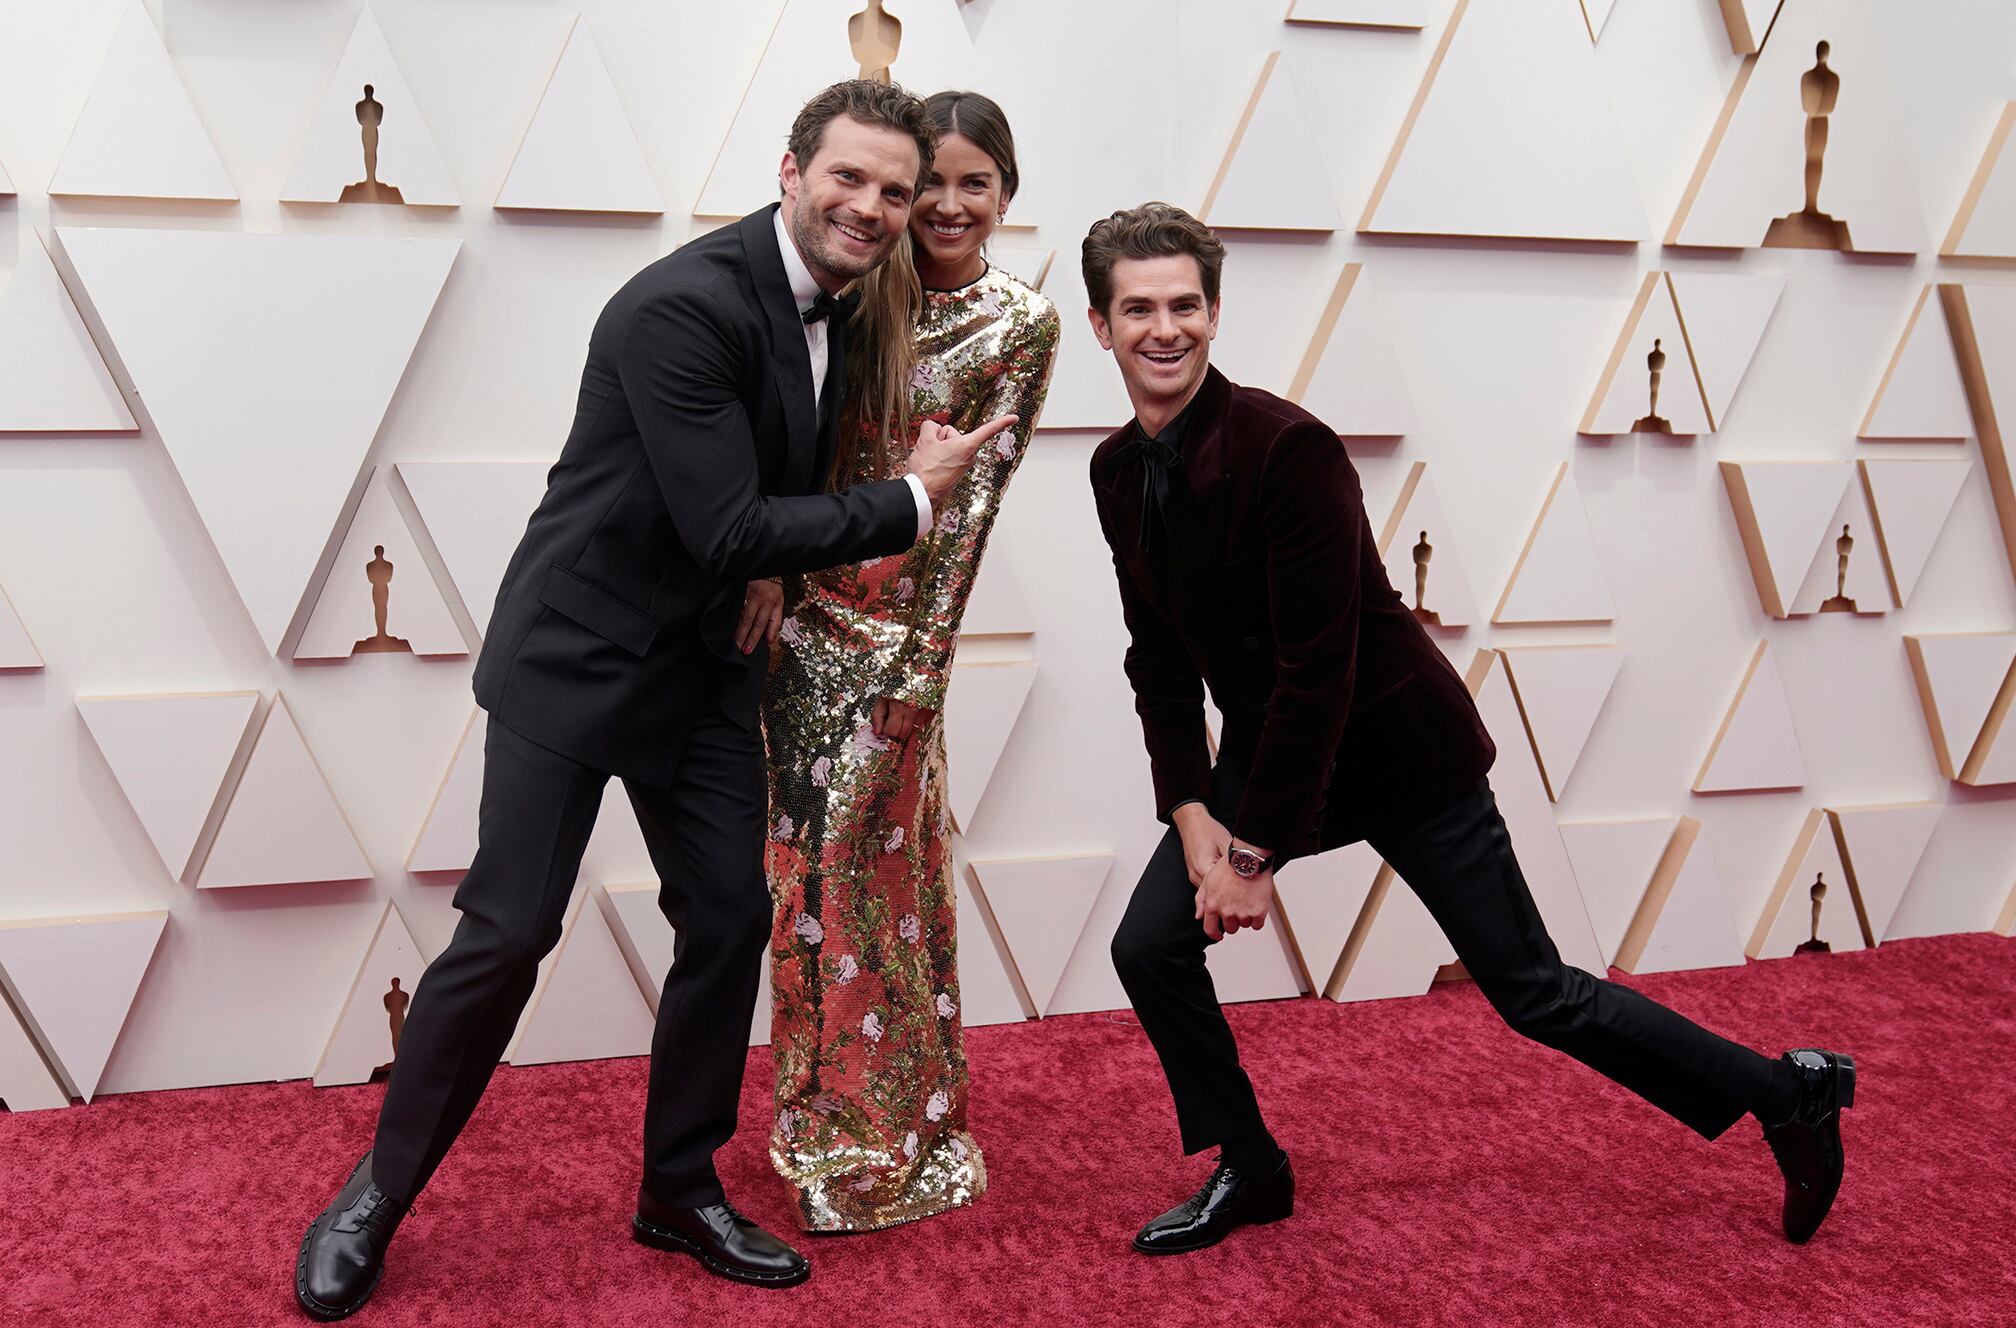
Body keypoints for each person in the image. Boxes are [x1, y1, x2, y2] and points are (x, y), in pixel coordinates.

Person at [294, 80, 1018, 1320]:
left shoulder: (851, 306)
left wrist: (775, 573)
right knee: (510, 929)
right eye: (851, 178)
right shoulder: (679, 306)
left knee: (729, 918)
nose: (877, 207)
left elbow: (757, 501)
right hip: (579, 657)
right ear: (790, 171)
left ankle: (677, 1185)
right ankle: (373, 1193)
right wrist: (909, 499)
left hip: (706, 669)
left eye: (896, 191)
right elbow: (726, 516)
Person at [1080, 203, 1856, 1257]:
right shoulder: (1116, 471)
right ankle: (1251, 1163)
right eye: (1139, 308)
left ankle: (1785, 1092)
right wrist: (1192, 810)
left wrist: (1251, 853)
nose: (1163, 327)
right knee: (1147, 942)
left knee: (1535, 993)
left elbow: (1322, 668)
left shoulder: (1289, 448)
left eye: (1184, 304)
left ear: (1214, 314)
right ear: (1100, 323)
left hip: (1400, 753)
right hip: (1268, 757)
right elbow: (1159, 658)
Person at [740, 90, 1058, 1232]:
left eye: (977, 182)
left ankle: (902, 1133)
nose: (948, 203)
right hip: (798, 633)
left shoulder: (1021, 324)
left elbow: (966, 516)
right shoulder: (853, 293)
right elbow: (799, 451)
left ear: (1006, 194)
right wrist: (767, 574)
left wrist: (923, 669)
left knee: (886, 895)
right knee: (803, 893)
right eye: (932, 182)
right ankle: (816, 1123)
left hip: (896, 655)